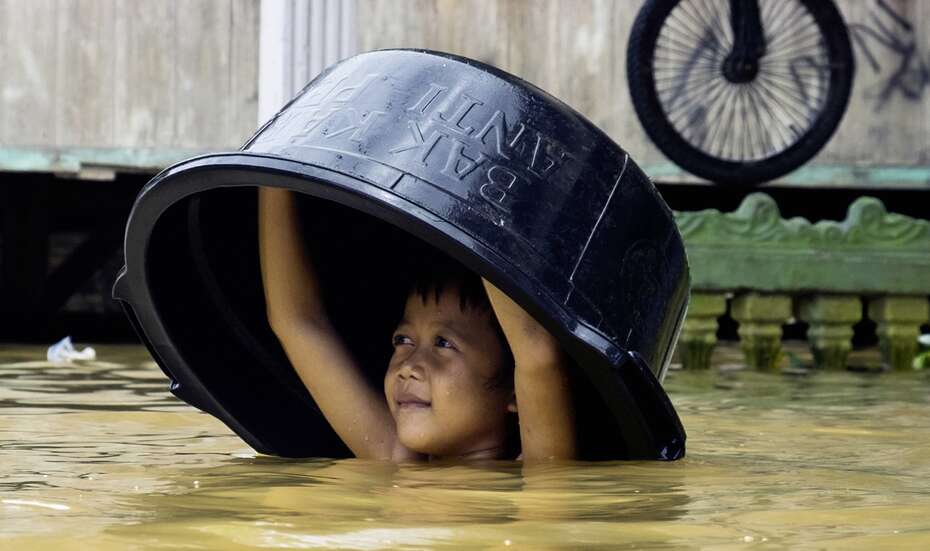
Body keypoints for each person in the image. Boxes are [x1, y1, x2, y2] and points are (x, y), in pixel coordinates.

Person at [258, 187, 577, 461]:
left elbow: (536, 351)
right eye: (403, 340)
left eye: (443, 343)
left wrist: (478, 188)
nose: (409, 366)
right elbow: (297, 323)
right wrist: (274, 176)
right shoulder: (397, 461)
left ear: (515, 394)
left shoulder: (536, 474)